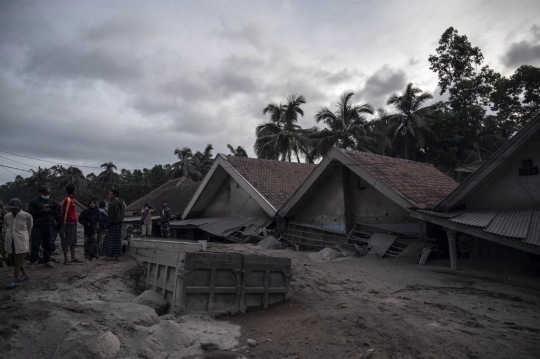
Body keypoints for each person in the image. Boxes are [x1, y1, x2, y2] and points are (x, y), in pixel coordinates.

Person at [27, 184, 60, 269]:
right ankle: (33, 262)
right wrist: (42, 210)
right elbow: (31, 214)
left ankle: (47, 260)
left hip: (49, 226)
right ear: (41, 192)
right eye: (45, 193)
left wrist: (49, 211)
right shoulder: (34, 202)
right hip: (37, 226)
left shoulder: (53, 202)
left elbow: (58, 213)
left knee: (48, 244)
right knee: (35, 245)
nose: (47, 195)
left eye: (48, 193)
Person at [4, 198, 32, 289]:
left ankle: (14, 280)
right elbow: (7, 227)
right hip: (11, 241)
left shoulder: (27, 216)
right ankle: (25, 274)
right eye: (11, 209)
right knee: (15, 261)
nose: (13, 210)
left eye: (15, 208)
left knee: (18, 261)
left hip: (21, 241)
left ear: (20, 207)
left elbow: (29, 228)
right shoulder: (7, 216)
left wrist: (23, 236)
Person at [59, 184, 81, 265]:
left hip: (73, 223)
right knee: (67, 241)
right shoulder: (68, 200)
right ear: (73, 191)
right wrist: (64, 223)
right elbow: (65, 212)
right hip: (69, 223)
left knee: (74, 240)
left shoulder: (72, 200)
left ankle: (73, 257)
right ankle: (66, 259)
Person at [101, 189, 125, 261]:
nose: (109, 196)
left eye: (110, 194)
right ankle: (118, 256)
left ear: (114, 195)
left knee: (110, 240)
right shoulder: (122, 203)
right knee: (117, 240)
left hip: (113, 223)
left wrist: (107, 226)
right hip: (120, 223)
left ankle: (110, 256)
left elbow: (110, 216)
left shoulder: (112, 204)